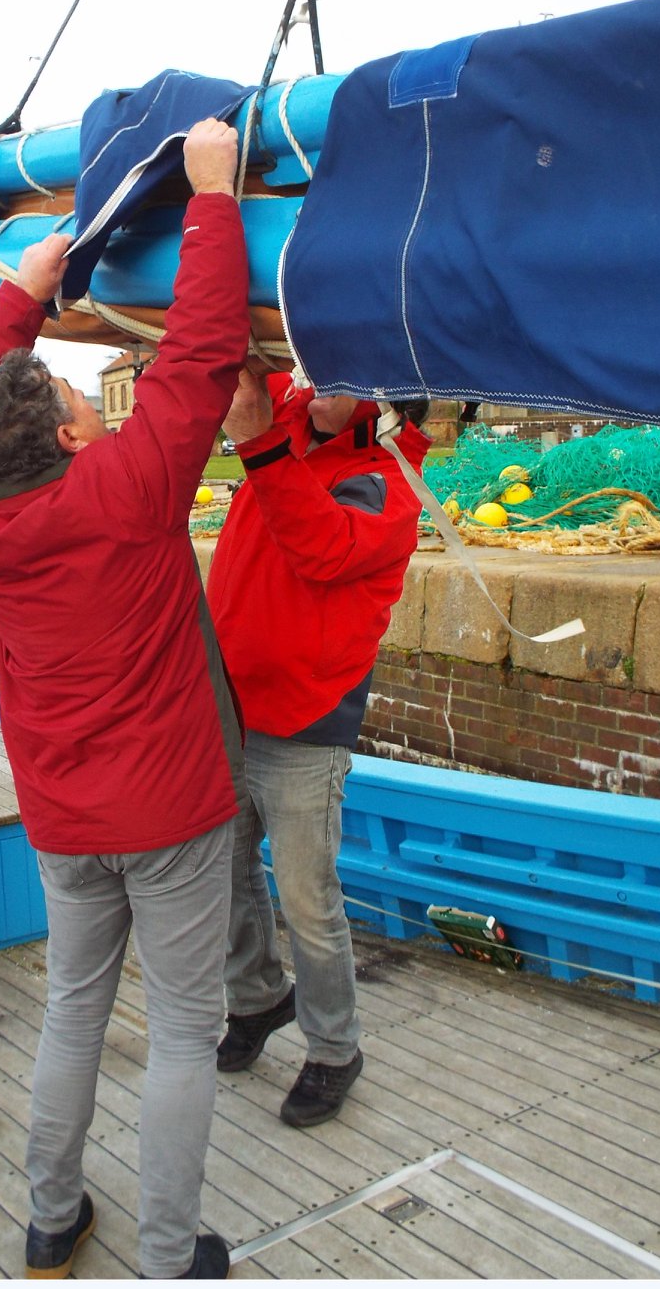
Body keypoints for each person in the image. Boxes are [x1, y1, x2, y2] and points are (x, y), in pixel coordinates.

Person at [0, 118, 248, 1280]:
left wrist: (19, 292)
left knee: (72, 1011)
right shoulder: (125, 490)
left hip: (62, 819)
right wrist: (211, 193)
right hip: (169, 817)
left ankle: (50, 1218)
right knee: (181, 1034)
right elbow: (206, 349)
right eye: (75, 395)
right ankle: (169, 1255)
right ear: (71, 433)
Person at [208, 369, 431, 1127]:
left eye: (344, 375)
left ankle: (334, 1047)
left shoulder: (386, 485)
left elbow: (321, 548)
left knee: (307, 900)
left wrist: (258, 444)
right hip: (233, 708)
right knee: (227, 875)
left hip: (306, 723)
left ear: (387, 400)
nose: (318, 382)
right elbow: (237, 364)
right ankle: (256, 998)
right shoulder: (292, 416)